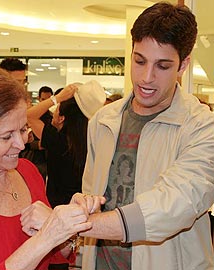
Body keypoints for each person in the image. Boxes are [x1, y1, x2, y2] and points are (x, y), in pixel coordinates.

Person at [78, 2, 214, 270]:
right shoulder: (103, 121)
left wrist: (75, 225)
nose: (146, 77)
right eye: (139, 61)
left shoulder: (202, 127)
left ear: (183, 64)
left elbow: (175, 204)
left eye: (163, 66)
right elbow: (90, 193)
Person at [0, 68, 96, 270]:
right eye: (7, 136)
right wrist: (47, 236)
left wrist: (67, 226)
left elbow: (55, 256)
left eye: (23, 129)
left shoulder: (27, 171)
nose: (21, 144)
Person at [27, 80, 106, 208]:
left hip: (57, 206)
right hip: (84, 206)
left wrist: (57, 98)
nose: (53, 114)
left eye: (56, 109)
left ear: (62, 118)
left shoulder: (58, 140)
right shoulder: (93, 139)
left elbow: (30, 115)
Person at [24, 86, 54, 181]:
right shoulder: (30, 115)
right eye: (43, 99)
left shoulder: (52, 118)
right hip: (34, 158)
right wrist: (37, 144)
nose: (45, 102)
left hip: (48, 159)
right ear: (39, 98)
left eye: (48, 99)